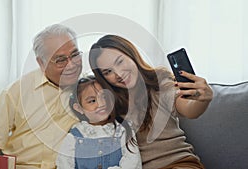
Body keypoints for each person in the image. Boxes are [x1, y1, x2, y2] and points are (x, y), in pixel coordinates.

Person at [89, 35, 213, 169]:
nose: (118, 73)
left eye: (120, 62)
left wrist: (202, 99)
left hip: (178, 164)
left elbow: (189, 109)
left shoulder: (159, 84)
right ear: (103, 78)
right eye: (108, 72)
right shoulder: (109, 105)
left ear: (132, 55)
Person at [0, 24, 83, 169]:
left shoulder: (90, 90)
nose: (71, 65)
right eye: (60, 60)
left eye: (75, 55)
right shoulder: (16, 91)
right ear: (41, 63)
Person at [56, 75, 142, 169]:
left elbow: (133, 163)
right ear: (79, 108)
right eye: (92, 101)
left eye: (104, 97)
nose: (101, 104)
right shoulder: (73, 137)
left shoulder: (123, 131)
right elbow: (63, 165)